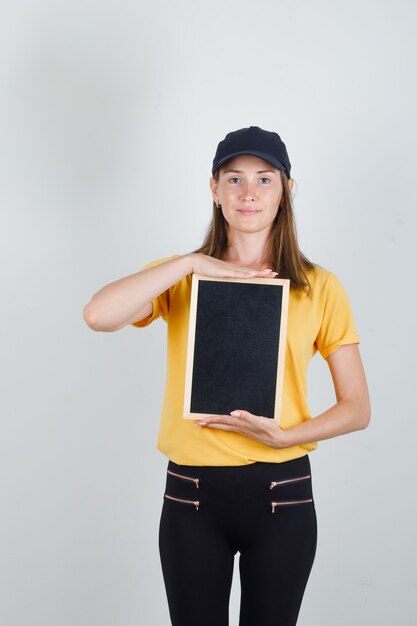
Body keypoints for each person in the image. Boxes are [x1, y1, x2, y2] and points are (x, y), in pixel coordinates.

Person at [83, 125, 371, 626]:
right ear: (213, 190)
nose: (249, 193)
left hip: (283, 494)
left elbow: (357, 407)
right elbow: (98, 315)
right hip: (192, 496)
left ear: (287, 190)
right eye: (233, 180)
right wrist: (196, 261)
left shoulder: (319, 286)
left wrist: (287, 436)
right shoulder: (181, 276)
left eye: (264, 179)